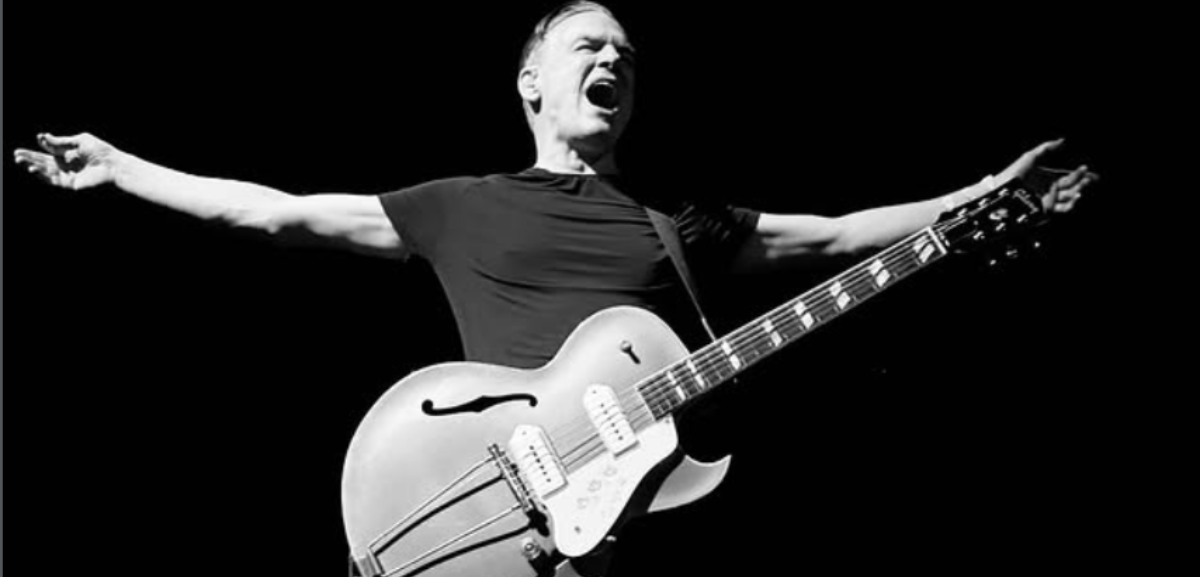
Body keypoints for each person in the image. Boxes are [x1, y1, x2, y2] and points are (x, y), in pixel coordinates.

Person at [13, 2, 1097, 574]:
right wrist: (122, 168)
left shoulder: (677, 216)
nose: (612, 62)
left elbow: (837, 237)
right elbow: (276, 212)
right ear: (532, 79)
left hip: (642, 519)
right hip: (507, 502)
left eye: (626, 53)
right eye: (589, 45)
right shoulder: (461, 204)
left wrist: (981, 196)